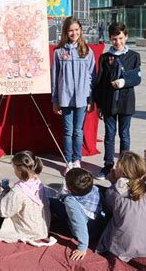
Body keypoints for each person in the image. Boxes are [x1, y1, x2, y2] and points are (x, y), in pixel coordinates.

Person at [96, 151, 146, 262]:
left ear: (122, 171)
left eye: (117, 167)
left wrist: (113, 183)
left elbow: (110, 210)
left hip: (122, 247)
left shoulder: (113, 191)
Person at [94, 22, 142, 180]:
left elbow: (136, 78)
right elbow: (99, 83)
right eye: (114, 39)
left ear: (126, 36)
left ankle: (125, 166)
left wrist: (123, 82)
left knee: (125, 134)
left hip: (126, 101)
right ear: (110, 39)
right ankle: (108, 165)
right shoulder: (105, 57)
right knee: (109, 135)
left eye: (121, 38)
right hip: (109, 102)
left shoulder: (134, 56)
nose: (118, 42)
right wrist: (99, 105)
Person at [51, 17, 96, 174]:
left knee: (78, 131)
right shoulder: (59, 52)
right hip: (65, 97)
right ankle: (68, 161)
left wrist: (91, 99)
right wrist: (55, 100)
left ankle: (77, 160)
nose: (74, 33)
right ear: (65, 32)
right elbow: (55, 78)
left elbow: (92, 77)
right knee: (68, 131)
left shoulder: (87, 52)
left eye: (77, 29)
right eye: (70, 30)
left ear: (81, 31)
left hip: (82, 98)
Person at [50, 168, 104, 261]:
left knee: (52, 201)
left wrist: (83, 247)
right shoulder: (95, 188)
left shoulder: (71, 201)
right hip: (97, 226)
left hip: (87, 232)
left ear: (69, 188)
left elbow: (79, 223)